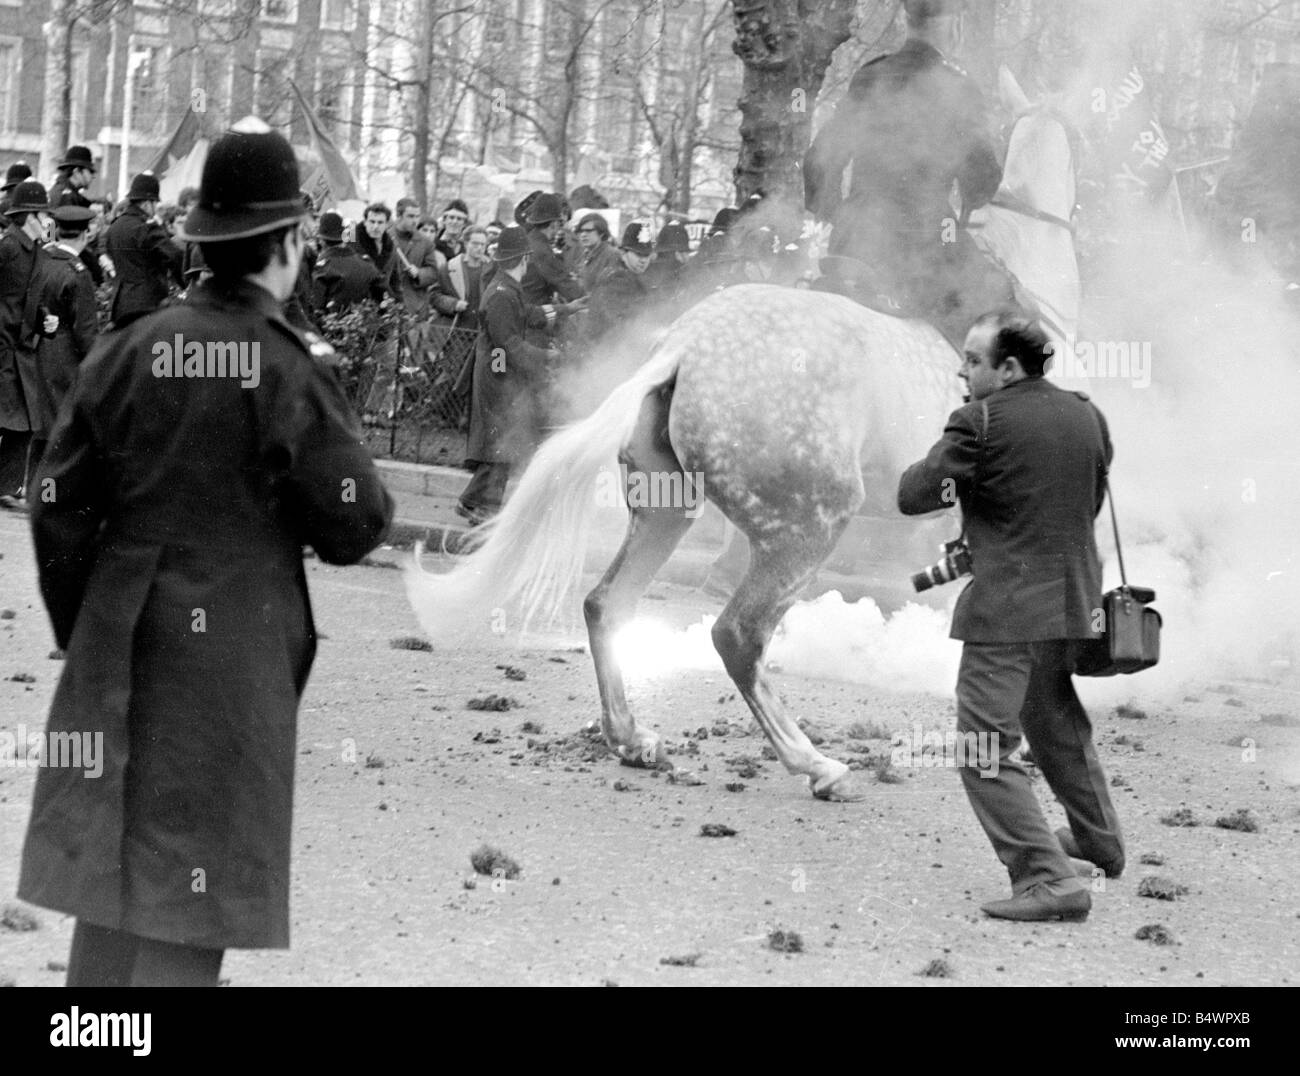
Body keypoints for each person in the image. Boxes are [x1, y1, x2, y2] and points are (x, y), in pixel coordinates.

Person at [18, 116, 395, 987]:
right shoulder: (289, 365)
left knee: (108, 889)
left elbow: (56, 503)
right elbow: (355, 524)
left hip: (116, 644)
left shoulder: (126, 348)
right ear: (288, 242)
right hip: (229, 660)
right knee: (192, 899)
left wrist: (95, 624)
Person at [896, 310, 1123, 922]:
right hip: (1075, 600)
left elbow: (913, 494)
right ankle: (1099, 843)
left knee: (983, 746)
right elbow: (1085, 499)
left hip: (1007, 610)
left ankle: (1049, 880)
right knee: (1053, 721)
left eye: (973, 361)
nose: (962, 370)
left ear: (1009, 367)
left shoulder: (980, 420)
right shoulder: (1087, 412)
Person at [803, 0, 1011, 349]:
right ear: (950, 25)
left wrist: (839, 216)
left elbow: (820, 160)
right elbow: (981, 183)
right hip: (926, 242)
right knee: (1001, 308)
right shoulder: (958, 88)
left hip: (855, 240)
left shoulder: (870, 75)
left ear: (906, 22)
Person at [457, 225, 557, 525]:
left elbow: (527, 314)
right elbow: (510, 344)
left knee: (502, 443)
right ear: (524, 259)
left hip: (499, 374)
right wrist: (547, 357)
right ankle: (483, 509)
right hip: (498, 377)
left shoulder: (506, 288)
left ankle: (473, 502)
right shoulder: (502, 293)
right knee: (503, 443)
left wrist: (562, 310)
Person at [25, 205, 98, 487]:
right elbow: (86, 331)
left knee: (41, 430)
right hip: (65, 359)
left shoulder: (43, 261)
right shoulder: (78, 273)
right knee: (60, 435)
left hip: (38, 350)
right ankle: (47, 496)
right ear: (85, 233)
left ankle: (33, 492)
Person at [0, 180, 51, 510]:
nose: (48, 221)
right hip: (3, 349)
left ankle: (4, 486)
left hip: (23, 351)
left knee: (25, 426)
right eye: (44, 215)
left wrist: (47, 320)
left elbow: (32, 298)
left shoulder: (37, 251)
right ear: (29, 216)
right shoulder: (6, 248)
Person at [104, 170, 183, 325]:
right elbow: (174, 256)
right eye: (155, 204)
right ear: (147, 203)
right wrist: (185, 285)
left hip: (120, 304)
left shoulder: (114, 227)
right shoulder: (147, 227)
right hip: (148, 303)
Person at [520, 192, 585, 346]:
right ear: (554, 223)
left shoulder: (528, 242)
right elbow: (568, 287)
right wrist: (590, 295)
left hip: (514, 323)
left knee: (502, 367)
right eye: (560, 223)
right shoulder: (543, 251)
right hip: (530, 328)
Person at [585, 221, 654, 347]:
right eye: (638, 254)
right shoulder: (618, 279)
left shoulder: (624, 274)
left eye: (647, 255)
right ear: (623, 253)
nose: (643, 260)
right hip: (605, 352)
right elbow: (619, 324)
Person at [312, 209, 382, 313]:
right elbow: (382, 299)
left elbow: (317, 309)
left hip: (331, 326)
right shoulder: (366, 263)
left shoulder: (322, 269)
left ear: (321, 241)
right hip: (366, 324)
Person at [572, 212, 619, 294]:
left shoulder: (612, 255)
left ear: (601, 233)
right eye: (581, 231)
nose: (583, 235)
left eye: (588, 231)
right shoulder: (584, 255)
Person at [47, 145, 96, 210]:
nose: (93, 176)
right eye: (91, 171)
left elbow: (85, 202)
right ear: (77, 172)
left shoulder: (68, 191)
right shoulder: (66, 196)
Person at [435, 198, 471, 264]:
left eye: (459, 219)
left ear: (464, 224)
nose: (454, 222)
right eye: (451, 218)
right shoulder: (433, 242)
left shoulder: (468, 247)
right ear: (444, 221)